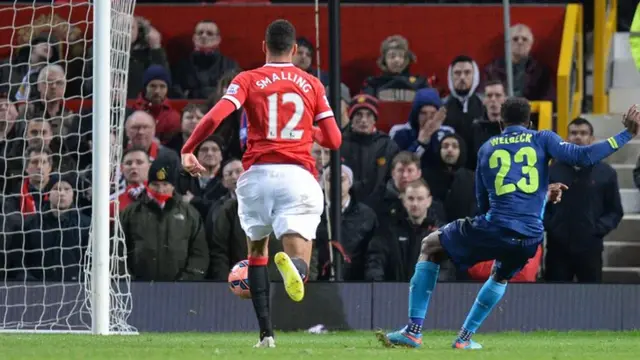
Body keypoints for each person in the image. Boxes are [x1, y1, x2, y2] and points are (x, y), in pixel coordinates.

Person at [376, 99, 640, 350]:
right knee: (500, 274)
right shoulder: (542, 138)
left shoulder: (488, 147)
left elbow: (483, 202)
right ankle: (464, 339)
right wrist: (626, 134)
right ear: (530, 123)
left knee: (430, 246)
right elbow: (583, 157)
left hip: (497, 227)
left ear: (501, 124)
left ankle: (413, 331)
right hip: (530, 238)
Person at [180, 19, 342, 348]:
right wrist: (307, 131)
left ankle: (266, 334)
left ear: (263, 46)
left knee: (256, 250)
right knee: (301, 259)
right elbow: (335, 140)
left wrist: (187, 148)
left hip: (255, 177)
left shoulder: (247, 79)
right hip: (297, 175)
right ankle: (294, 266)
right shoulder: (312, 84)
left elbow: (215, 116)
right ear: (295, 50)